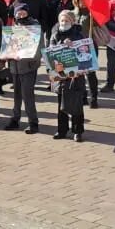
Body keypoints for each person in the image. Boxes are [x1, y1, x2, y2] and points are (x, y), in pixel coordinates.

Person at [47, 8, 87, 140]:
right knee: (61, 105)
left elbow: (84, 51)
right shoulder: (55, 35)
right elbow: (51, 52)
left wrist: (73, 45)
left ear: (73, 21)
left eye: (67, 20)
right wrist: (62, 45)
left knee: (76, 104)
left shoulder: (78, 35)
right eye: (62, 20)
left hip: (75, 76)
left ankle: (78, 131)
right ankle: (62, 130)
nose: (64, 22)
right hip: (61, 76)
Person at [3, 2, 41, 133]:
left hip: (28, 67)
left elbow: (38, 49)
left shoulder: (34, 27)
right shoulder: (13, 27)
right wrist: (7, 54)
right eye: (18, 13)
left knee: (27, 95)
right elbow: (8, 46)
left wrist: (26, 56)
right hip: (15, 67)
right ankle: (15, 119)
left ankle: (33, 122)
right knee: (17, 95)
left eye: (23, 12)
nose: (20, 15)